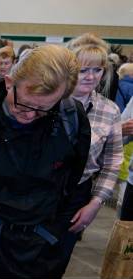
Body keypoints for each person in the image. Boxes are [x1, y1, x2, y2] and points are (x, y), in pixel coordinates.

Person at [0, 44, 91, 279]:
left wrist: (57, 237)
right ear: (9, 82)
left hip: (44, 252)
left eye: (43, 109)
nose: (29, 115)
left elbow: (76, 180)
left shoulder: (71, 118)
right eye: (23, 104)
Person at [67, 40, 123, 234]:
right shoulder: (48, 102)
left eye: (98, 70)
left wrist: (95, 203)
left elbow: (113, 162)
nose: (91, 77)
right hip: (37, 192)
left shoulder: (110, 110)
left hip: (78, 194)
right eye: (83, 70)